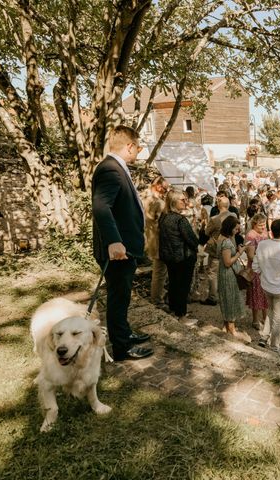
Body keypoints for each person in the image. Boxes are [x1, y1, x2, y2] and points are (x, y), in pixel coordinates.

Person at [91, 125, 153, 361]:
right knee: (118, 299)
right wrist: (114, 241)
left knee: (123, 296)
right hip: (118, 251)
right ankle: (122, 347)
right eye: (137, 148)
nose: (138, 152)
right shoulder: (111, 169)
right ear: (129, 146)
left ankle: (124, 334)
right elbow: (101, 207)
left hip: (124, 249)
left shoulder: (114, 167)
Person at [253, 219, 280, 354]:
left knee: (271, 311)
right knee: (278, 317)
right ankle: (274, 346)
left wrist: (262, 275)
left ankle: (264, 338)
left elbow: (255, 265)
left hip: (266, 285)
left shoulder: (262, 244)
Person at [158, 190, 199, 323]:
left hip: (169, 257)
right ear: (173, 201)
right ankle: (181, 315)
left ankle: (174, 310)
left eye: (185, 199)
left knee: (174, 284)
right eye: (182, 200)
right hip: (183, 258)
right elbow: (192, 240)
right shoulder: (180, 220)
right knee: (182, 286)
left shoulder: (163, 217)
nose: (185, 201)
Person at [202, 196, 237, 306]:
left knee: (213, 273)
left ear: (218, 205)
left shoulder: (214, 219)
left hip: (216, 248)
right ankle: (228, 294)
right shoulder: (234, 216)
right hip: (231, 247)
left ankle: (212, 297)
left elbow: (207, 233)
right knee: (228, 271)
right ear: (228, 205)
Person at [141, 176, 169, 307]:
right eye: (164, 188)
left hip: (150, 238)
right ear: (158, 186)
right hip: (158, 240)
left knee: (159, 271)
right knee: (160, 271)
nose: (166, 191)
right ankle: (157, 299)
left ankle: (158, 295)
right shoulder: (156, 202)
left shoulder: (144, 197)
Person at [216, 216, 247, 336]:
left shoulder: (221, 238)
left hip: (223, 272)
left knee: (226, 297)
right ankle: (231, 329)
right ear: (229, 228)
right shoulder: (227, 242)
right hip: (228, 273)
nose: (237, 231)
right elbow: (228, 262)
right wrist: (239, 253)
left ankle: (226, 326)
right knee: (230, 298)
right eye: (235, 229)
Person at [244, 213, 269, 330]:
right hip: (255, 269)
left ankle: (266, 318)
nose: (263, 227)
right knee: (256, 294)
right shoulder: (251, 235)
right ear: (254, 224)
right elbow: (250, 255)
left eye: (264, 224)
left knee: (265, 294)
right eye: (260, 225)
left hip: (265, 268)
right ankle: (255, 320)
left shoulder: (265, 233)